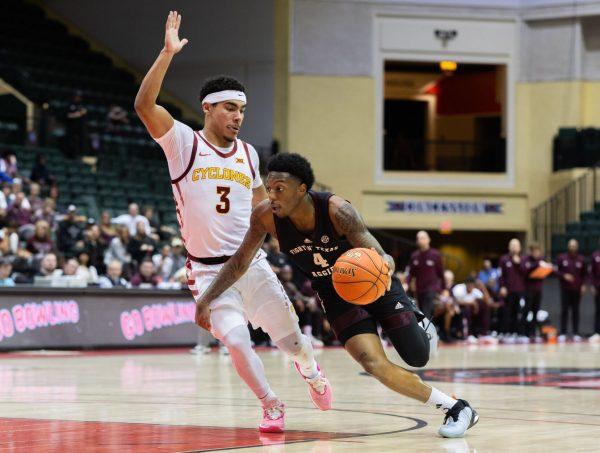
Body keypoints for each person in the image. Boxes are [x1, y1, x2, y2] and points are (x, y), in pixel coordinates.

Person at [134, 11, 330, 433]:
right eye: (229, 108)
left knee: (294, 342)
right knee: (237, 341)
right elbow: (144, 106)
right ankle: (271, 404)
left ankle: (312, 372)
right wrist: (168, 54)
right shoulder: (183, 142)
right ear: (207, 108)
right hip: (207, 270)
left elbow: (265, 211)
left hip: (252, 264)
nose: (238, 116)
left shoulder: (249, 154)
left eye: (241, 109)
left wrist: (299, 240)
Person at [197, 153, 478, 438]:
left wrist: (386, 263)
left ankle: (417, 321)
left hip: (373, 283)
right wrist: (206, 299)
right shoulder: (265, 217)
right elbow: (239, 263)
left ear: (302, 189)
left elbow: (379, 253)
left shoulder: (337, 210)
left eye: (279, 188)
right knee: (372, 363)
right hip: (334, 294)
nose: (271, 196)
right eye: (269, 189)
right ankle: (456, 408)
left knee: (417, 356)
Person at [406, 230, 444, 319]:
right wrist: (406, 284)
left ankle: (426, 332)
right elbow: (411, 273)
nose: (420, 240)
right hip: (419, 290)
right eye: (418, 238)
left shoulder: (435, 255)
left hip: (431, 289)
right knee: (421, 312)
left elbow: (441, 274)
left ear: (428, 240)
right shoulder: (414, 256)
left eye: (422, 238)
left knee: (426, 312)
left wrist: (443, 289)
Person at [555, 239, 587, 342]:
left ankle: (576, 332)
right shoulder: (561, 258)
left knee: (576, 311)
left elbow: (584, 274)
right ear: (568, 246)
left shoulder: (582, 259)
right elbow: (556, 271)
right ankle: (563, 332)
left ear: (577, 247)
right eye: (571, 245)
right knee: (564, 310)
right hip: (565, 289)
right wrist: (564, 275)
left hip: (577, 289)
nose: (572, 247)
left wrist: (583, 285)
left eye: (574, 245)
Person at [498, 238, 527, 340]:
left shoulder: (523, 259)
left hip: (520, 290)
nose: (514, 247)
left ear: (519, 248)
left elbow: (525, 273)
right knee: (507, 312)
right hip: (508, 290)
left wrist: (518, 263)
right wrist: (502, 286)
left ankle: (517, 333)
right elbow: (500, 275)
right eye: (512, 245)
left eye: (516, 245)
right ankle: (506, 333)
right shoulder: (504, 259)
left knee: (518, 312)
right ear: (509, 247)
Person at [524, 243, 548, 340]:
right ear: (531, 251)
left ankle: (533, 333)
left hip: (538, 290)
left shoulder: (541, 259)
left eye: (538, 251)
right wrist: (537, 264)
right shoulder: (527, 260)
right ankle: (524, 332)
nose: (536, 253)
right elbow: (526, 269)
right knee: (526, 311)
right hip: (528, 290)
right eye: (534, 251)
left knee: (535, 312)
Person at [589, 244, 600, 343]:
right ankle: (597, 333)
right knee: (598, 310)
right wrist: (592, 285)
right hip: (598, 287)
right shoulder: (595, 255)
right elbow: (591, 272)